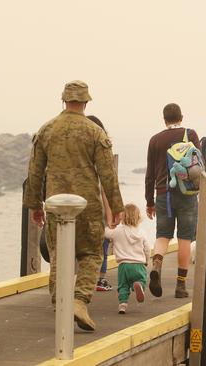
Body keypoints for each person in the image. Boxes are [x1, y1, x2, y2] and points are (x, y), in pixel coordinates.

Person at [23, 80, 124, 331]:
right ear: (86, 102)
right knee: (91, 254)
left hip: (56, 205)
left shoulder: (46, 130)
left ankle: (60, 304)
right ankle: (79, 301)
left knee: (59, 255)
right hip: (87, 206)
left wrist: (35, 206)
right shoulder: (94, 132)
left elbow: (34, 173)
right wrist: (117, 206)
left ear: (63, 100)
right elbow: (107, 174)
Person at [145, 103, 200, 298]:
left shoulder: (155, 140)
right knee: (185, 237)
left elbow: (150, 174)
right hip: (187, 194)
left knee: (162, 235)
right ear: (181, 117)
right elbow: (199, 165)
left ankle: (157, 264)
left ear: (164, 119)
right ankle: (180, 286)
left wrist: (149, 201)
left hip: (163, 194)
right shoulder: (191, 135)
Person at [104, 204, 151, 314]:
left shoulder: (118, 231)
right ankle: (139, 286)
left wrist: (108, 225)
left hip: (123, 265)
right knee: (141, 280)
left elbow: (106, 233)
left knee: (123, 286)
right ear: (138, 217)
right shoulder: (141, 232)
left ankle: (122, 305)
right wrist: (146, 261)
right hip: (139, 264)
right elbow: (147, 248)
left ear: (122, 217)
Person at [86, 115, 115, 292]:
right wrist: (111, 215)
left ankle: (78, 280)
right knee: (102, 246)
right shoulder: (104, 151)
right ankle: (100, 280)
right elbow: (107, 187)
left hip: (81, 208)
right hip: (99, 209)